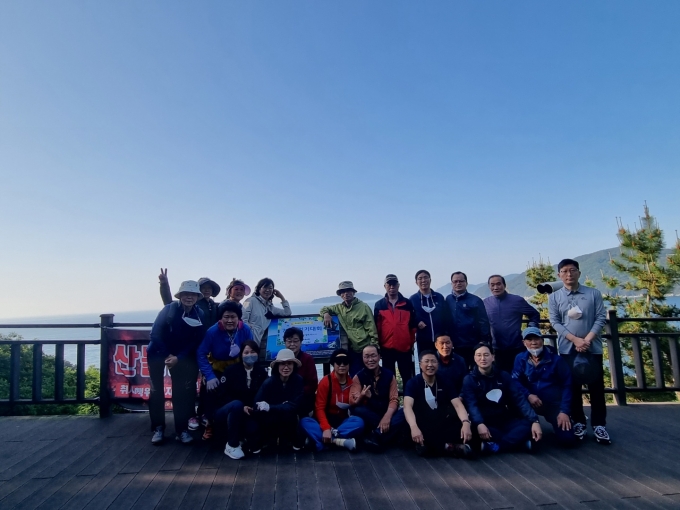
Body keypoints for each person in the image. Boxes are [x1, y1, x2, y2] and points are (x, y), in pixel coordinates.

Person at [549, 258, 610, 445]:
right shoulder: (554, 297)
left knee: (596, 388)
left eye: (572, 270)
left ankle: (599, 424)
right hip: (568, 349)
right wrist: (575, 340)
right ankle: (579, 422)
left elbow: (600, 318)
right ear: (559, 275)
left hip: (592, 348)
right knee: (572, 387)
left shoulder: (593, 293)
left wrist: (587, 340)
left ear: (579, 273)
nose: (569, 274)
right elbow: (555, 322)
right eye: (564, 271)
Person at [148, 280, 207, 445]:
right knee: (156, 391)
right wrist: (167, 355)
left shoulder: (199, 313)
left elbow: (196, 340)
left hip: (178, 356)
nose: (189, 297)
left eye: (193, 294)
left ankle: (181, 430)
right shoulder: (169, 309)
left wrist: (178, 358)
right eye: (186, 294)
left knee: (180, 393)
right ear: (180, 295)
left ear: (197, 297)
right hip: (157, 353)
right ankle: (158, 428)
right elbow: (155, 335)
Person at [462, 343, 542, 454]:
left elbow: (518, 398)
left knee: (529, 425)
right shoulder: (469, 380)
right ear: (474, 358)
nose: (483, 358)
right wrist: (480, 423)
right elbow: (472, 405)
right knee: (475, 430)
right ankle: (518, 444)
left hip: (504, 419)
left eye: (486, 355)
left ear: (493, 357)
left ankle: (496, 446)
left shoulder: (503, 375)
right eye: (479, 355)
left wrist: (535, 420)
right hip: (485, 422)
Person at [197, 301, 254, 439]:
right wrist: (209, 375)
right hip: (218, 368)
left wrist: (249, 369)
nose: (229, 320)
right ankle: (209, 423)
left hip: (238, 367)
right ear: (220, 318)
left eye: (233, 317)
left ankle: (243, 423)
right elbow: (201, 353)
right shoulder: (212, 332)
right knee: (210, 389)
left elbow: (250, 349)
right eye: (226, 317)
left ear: (238, 318)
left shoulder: (245, 329)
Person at [512, 327, 576, 447]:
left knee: (568, 440)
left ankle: (561, 425)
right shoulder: (520, 358)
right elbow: (515, 381)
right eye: (529, 340)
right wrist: (528, 395)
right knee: (528, 437)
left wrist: (564, 411)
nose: (533, 343)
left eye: (536, 339)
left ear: (542, 340)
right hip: (530, 403)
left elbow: (567, 385)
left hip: (553, 404)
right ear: (524, 343)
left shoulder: (557, 360)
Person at [403, 350, 474, 457]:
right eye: (426, 361)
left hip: (441, 421)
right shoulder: (413, 383)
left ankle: (445, 447)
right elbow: (407, 406)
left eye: (433, 361)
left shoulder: (445, 381)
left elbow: (457, 404)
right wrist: (413, 427)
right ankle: (451, 447)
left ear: (438, 364)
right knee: (421, 437)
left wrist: (465, 422)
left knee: (468, 429)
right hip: (421, 422)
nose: (430, 365)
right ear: (420, 365)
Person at [212, 340, 268, 459]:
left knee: (253, 431)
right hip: (226, 410)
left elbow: (264, 394)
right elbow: (221, 395)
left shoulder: (261, 372)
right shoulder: (231, 370)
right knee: (237, 404)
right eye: (246, 352)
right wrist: (241, 407)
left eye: (253, 352)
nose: (249, 355)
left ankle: (243, 438)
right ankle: (232, 445)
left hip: (248, 412)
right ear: (241, 355)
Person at [300, 349, 364, 451]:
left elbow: (356, 403)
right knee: (304, 421)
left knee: (359, 421)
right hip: (323, 420)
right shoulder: (325, 382)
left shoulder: (352, 383)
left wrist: (363, 398)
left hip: (341, 422)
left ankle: (325, 441)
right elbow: (319, 408)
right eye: (338, 362)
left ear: (349, 364)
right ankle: (339, 441)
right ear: (333, 364)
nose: (342, 365)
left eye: (345, 362)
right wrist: (326, 428)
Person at [246, 348, 304, 452]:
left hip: (288, 420)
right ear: (277, 366)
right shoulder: (269, 382)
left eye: (289, 363)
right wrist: (283, 405)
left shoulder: (298, 380)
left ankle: (290, 440)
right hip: (269, 420)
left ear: (294, 365)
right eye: (282, 364)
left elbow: (294, 405)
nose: (286, 367)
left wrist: (270, 407)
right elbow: (257, 406)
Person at [350, 345, 405, 451]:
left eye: (373, 356)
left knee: (405, 411)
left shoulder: (389, 375)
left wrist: (387, 417)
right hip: (371, 415)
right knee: (357, 409)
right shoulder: (358, 377)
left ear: (379, 356)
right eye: (366, 356)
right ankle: (386, 433)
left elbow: (394, 399)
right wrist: (362, 396)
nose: (370, 359)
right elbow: (352, 401)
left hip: (387, 411)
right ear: (362, 358)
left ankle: (377, 435)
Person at [484, 275, 541, 374]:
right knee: (500, 376)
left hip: (516, 346)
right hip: (496, 348)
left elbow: (534, 314)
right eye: (492, 285)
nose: (496, 287)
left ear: (504, 285)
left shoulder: (517, 300)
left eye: (498, 284)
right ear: (489, 287)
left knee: (520, 374)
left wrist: (529, 331)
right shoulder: (486, 302)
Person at [321, 281, 378, 376]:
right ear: (340, 294)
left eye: (348, 291)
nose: (346, 294)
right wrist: (326, 314)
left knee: (370, 375)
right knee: (355, 376)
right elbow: (324, 308)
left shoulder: (363, 307)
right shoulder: (339, 308)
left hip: (365, 347)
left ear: (353, 292)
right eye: (343, 292)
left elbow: (372, 328)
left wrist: (374, 348)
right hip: (351, 349)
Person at [374, 274, 417, 385]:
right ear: (385, 286)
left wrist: (410, 344)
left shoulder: (407, 303)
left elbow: (412, 326)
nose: (392, 287)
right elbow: (377, 327)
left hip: (404, 348)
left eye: (394, 284)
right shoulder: (379, 305)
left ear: (398, 286)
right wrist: (379, 346)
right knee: (388, 378)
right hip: (386, 348)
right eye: (389, 284)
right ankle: (392, 396)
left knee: (407, 376)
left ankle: (409, 396)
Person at [446, 271, 491, 369]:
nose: (458, 283)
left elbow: (483, 322)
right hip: (455, 344)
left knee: (476, 370)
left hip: (473, 344)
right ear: (451, 284)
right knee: (459, 371)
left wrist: (484, 341)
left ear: (466, 283)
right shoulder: (448, 299)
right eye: (455, 281)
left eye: (461, 281)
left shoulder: (475, 300)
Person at [409, 270, 451, 355]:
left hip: (441, 341)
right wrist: (417, 322)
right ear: (416, 282)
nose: (423, 280)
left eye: (425, 277)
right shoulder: (413, 299)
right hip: (423, 341)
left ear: (430, 280)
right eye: (420, 278)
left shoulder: (439, 297)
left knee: (441, 362)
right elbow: (410, 318)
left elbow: (447, 317)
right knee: (425, 362)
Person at [242, 278, 292, 346]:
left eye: (270, 288)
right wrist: (251, 331)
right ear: (259, 289)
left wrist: (281, 297)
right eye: (265, 287)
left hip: (259, 341)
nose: (267, 290)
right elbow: (243, 320)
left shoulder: (270, 307)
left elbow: (287, 313)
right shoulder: (250, 301)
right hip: (248, 340)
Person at [282, 326, 319, 417]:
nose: (292, 344)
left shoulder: (308, 359)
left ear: (301, 342)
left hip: (303, 399)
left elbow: (313, 384)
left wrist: (296, 394)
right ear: (285, 342)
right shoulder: (280, 359)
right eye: (289, 341)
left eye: (295, 341)